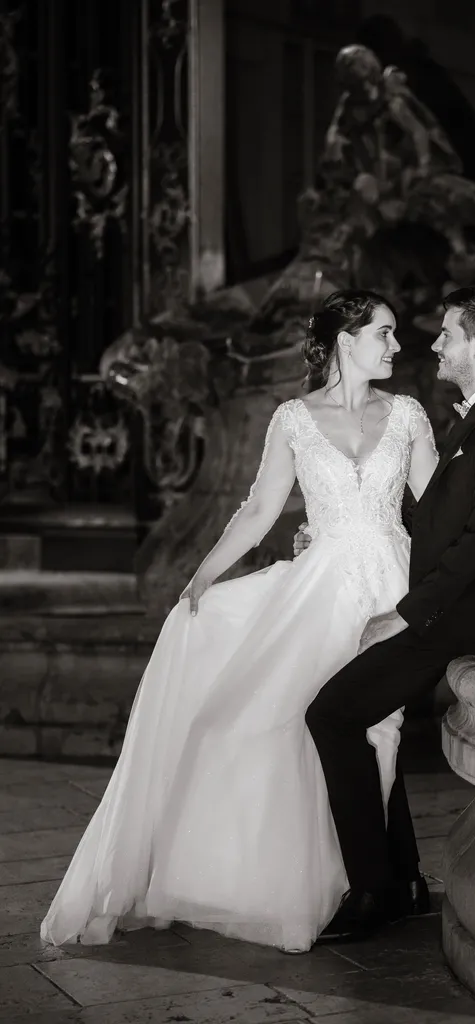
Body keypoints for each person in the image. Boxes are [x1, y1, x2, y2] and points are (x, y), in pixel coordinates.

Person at [39, 290, 440, 954]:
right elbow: (257, 511)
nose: (397, 347)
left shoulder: (406, 415)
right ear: (346, 341)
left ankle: (384, 882)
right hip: (321, 588)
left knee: (370, 727)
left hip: (388, 588)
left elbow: (437, 505)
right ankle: (390, 879)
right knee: (284, 721)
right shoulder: (291, 419)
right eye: (384, 334)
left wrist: (439, 581)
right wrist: (202, 574)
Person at [295, 286, 475, 941]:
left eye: (448, 334)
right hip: (449, 611)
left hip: (460, 619)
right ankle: (399, 881)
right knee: (353, 719)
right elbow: (442, 521)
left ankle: (375, 889)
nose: (435, 344)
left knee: (331, 713)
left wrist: (404, 614)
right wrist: (333, 530)